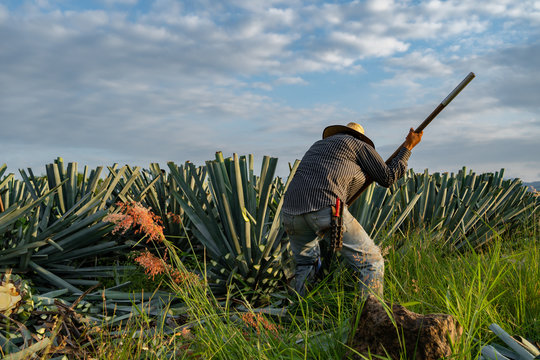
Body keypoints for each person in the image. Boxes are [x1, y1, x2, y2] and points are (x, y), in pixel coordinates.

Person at [281, 122, 423, 297]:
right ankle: (371, 317)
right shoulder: (357, 144)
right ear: (360, 137)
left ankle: (299, 315)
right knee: (372, 262)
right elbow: (388, 177)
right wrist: (408, 146)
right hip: (325, 206)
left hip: (290, 213)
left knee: (305, 263)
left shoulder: (318, 146)